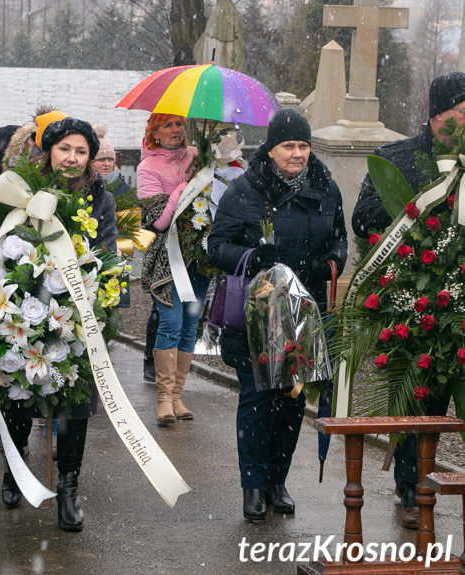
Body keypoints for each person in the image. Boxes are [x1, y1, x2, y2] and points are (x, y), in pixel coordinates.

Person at [207, 109, 347, 523]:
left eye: (304, 145)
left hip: (306, 314)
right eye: (289, 146)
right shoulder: (245, 191)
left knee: (291, 400)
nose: (298, 153)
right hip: (259, 314)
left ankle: (276, 481)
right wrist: (254, 258)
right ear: (270, 150)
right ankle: (252, 485)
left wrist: (332, 261)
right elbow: (217, 247)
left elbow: (339, 238)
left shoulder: (326, 188)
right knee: (257, 399)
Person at [352, 71, 465, 529]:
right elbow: (363, 220)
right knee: (418, 400)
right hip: (414, 302)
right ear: (439, 113)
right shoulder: (395, 157)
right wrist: (414, 209)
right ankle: (411, 492)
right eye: (462, 112)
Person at [0, 110, 117, 532]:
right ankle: (15, 468)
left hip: (78, 312)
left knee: (75, 404)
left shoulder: (100, 198)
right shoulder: (23, 188)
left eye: (81, 151)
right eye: (64, 149)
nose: (72, 158)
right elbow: (4, 242)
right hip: (23, 302)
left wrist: (93, 301)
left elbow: (106, 256)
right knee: (16, 391)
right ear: (48, 153)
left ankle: (68, 488)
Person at [136, 113, 208, 424]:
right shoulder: (147, 168)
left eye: (179, 124)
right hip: (166, 261)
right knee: (171, 321)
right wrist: (184, 189)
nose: (176, 131)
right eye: (168, 125)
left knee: (190, 324)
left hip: (198, 257)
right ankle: (163, 399)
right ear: (154, 132)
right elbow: (160, 220)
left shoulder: (196, 157)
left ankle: (178, 396)